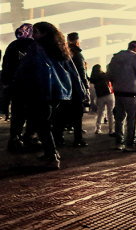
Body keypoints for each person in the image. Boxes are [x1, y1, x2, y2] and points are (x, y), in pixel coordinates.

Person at [13, 22, 87, 169]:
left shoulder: (36, 48)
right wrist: (82, 92)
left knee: (41, 124)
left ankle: (52, 156)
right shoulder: (60, 48)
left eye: (36, 32)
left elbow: (32, 69)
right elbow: (73, 71)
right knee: (46, 122)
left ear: (44, 33)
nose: (33, 34)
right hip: (59, 93)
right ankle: (51, 154)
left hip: (41, 90)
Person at [1, 23, 37, 151]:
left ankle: (14, 139)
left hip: (16, 86)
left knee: (17, 113)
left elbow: (5, 67)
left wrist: (6, 83)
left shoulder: (12, 46)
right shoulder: (35, 46)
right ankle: (30, 138)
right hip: (32, 87)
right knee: (33, 113)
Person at [107, 40, 136, 151]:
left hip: (118, 92)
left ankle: (119, 142)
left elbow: (109, 74)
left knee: (119, 118)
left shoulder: (116, 57)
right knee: (132, 119)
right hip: (131, 92)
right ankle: (130, 144)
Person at [89, 64, 114, 135]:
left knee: (100, 113)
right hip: (109, 95)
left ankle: (98, 129)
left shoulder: (93, 78)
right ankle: (111, 130)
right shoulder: (104, 75)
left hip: (100, 96)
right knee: (110, 113)